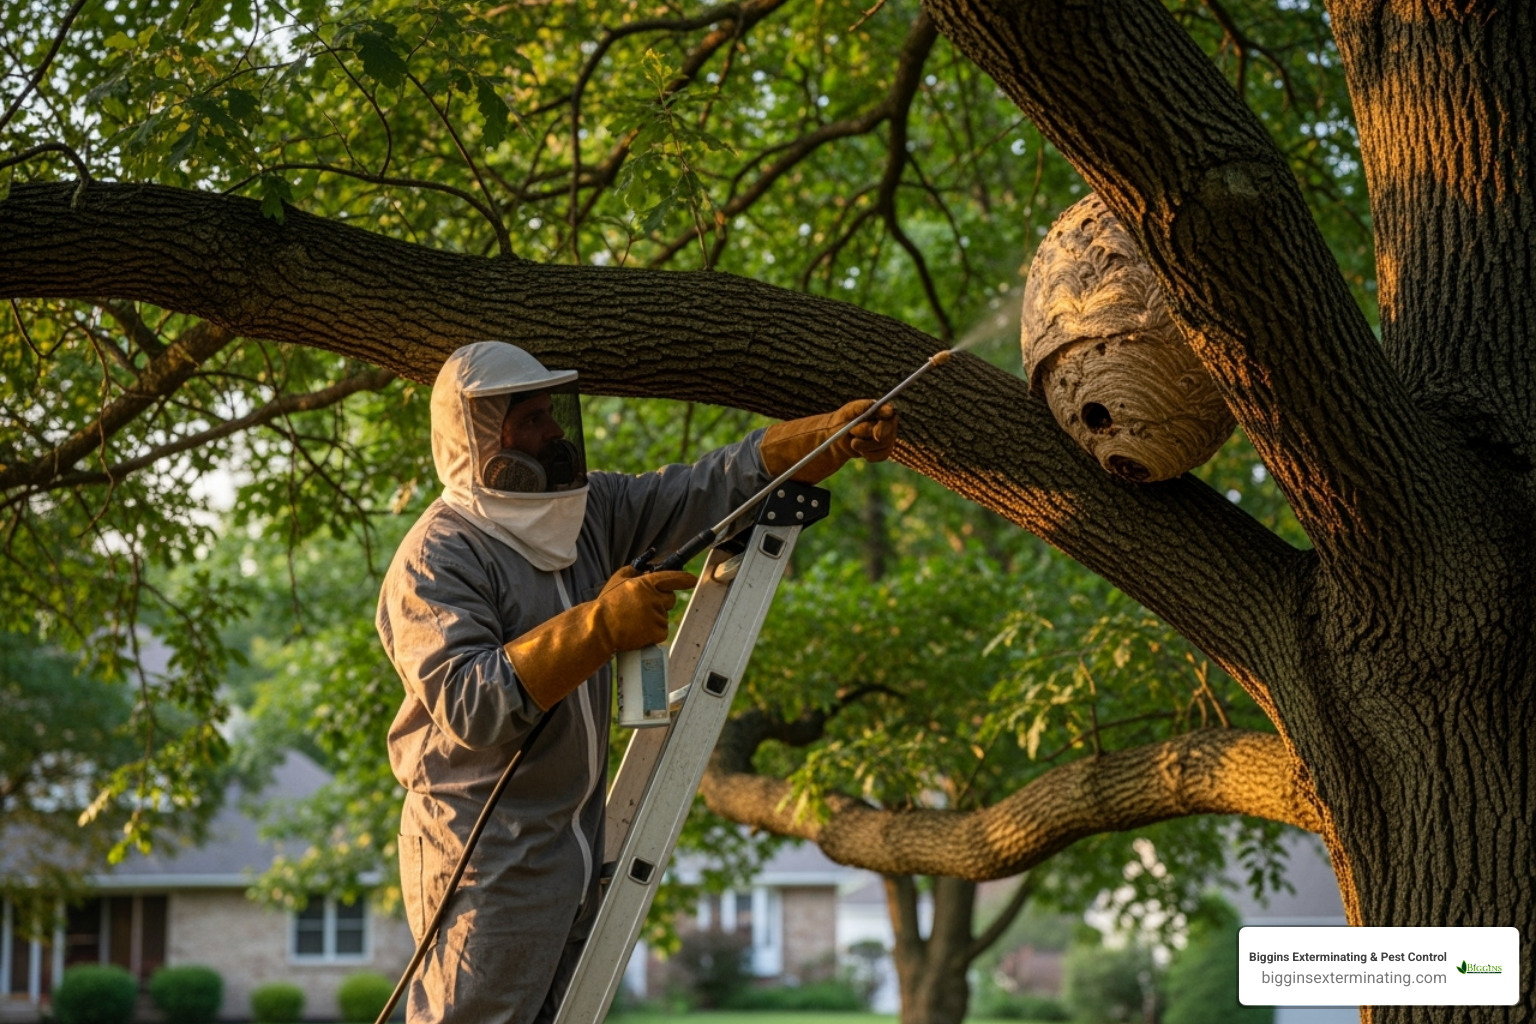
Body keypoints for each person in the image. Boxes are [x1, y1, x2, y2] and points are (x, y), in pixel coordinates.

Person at [377, 341, 897, 1024]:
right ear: (478, 440)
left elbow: (697, 489)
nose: (556, 432)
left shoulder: (586, 514)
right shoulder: (438, 557)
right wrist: (599, 628)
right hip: (485, 854)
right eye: (532, 421)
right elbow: (472, 704)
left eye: (552, 414)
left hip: (572, 842)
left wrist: (817, 439)